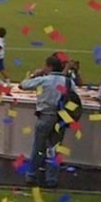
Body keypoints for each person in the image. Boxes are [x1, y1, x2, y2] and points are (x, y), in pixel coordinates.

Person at [20, 54, 70, 188]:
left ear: (49, 66)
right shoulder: (68, 81)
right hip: (61, 117)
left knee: (38, 147)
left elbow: (23, 85)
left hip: (45, 116)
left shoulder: (44, 80)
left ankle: (31, 174)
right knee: (55, 149)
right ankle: (52, 179)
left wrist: (34, 75)